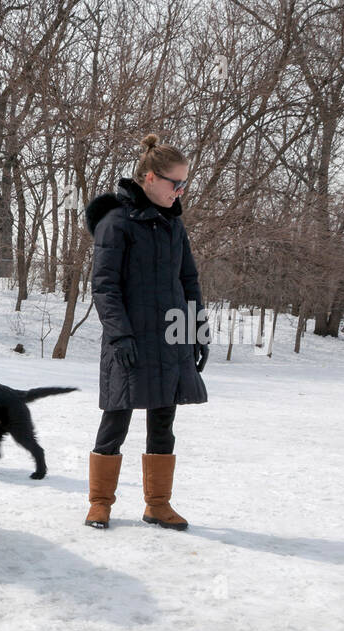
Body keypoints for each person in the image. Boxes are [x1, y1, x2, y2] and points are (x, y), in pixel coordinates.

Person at [82, 133, 209, 531]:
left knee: (163, 419)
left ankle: (158, 504)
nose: (181, 191)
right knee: (116, 416)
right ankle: (100, 504)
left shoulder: (174, 226)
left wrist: (196, 330)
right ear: (150, 179)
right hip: (130, 340)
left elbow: (188, 280)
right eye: (177, 183)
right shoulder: (116, 223)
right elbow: (104, 286)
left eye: (185, 184)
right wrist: (119, 336)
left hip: (171, 337)